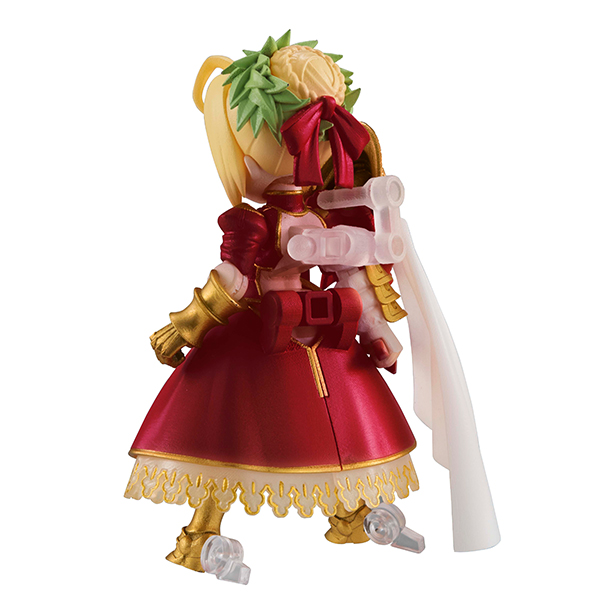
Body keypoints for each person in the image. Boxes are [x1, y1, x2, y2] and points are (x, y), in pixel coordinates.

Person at [125, 32, 499, 577]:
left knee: (330, 420)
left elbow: (352, 273)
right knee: (228, 431)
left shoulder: (327, 214)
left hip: (316, 327)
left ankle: (348, 513)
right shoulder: (255, 223)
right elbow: (232, 282)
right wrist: (184, 327)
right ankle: (200, 535)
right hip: (259, 333)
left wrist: (377, 332)